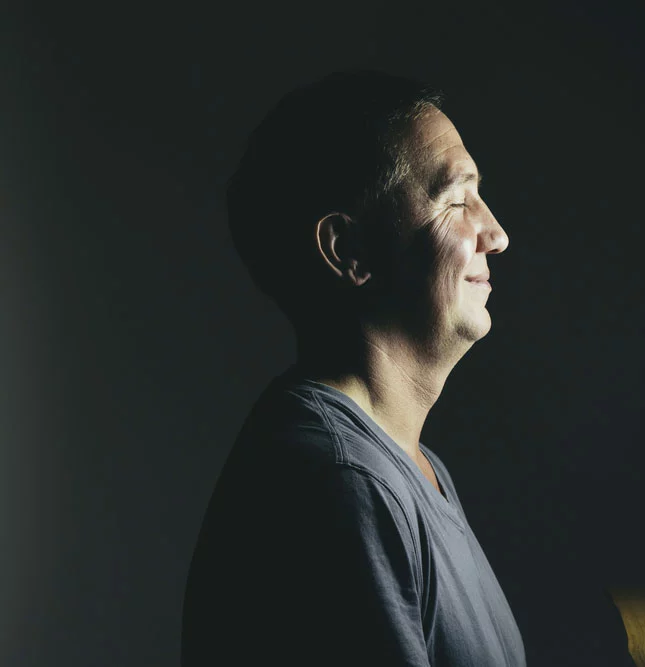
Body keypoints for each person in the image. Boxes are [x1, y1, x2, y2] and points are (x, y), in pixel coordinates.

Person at [181, 69, 524, 666]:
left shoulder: (408, 467)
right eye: (456, 200)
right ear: (349, 251)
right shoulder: (346, 483)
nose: (495, 234)